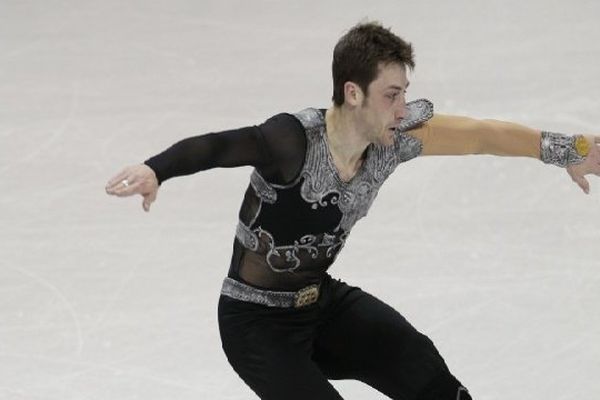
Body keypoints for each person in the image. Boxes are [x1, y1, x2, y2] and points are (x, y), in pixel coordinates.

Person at [105, 21, 600, 400]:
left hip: (320, 303)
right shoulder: (292, 141)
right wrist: (157, 169)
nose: (403, 108)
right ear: (353, 92)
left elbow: (478, 135)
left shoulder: (394, 141)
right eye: (392, 95)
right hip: (253, 323)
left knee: (421, 367)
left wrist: (568, 149)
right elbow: (217, 147)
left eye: (404, 93)